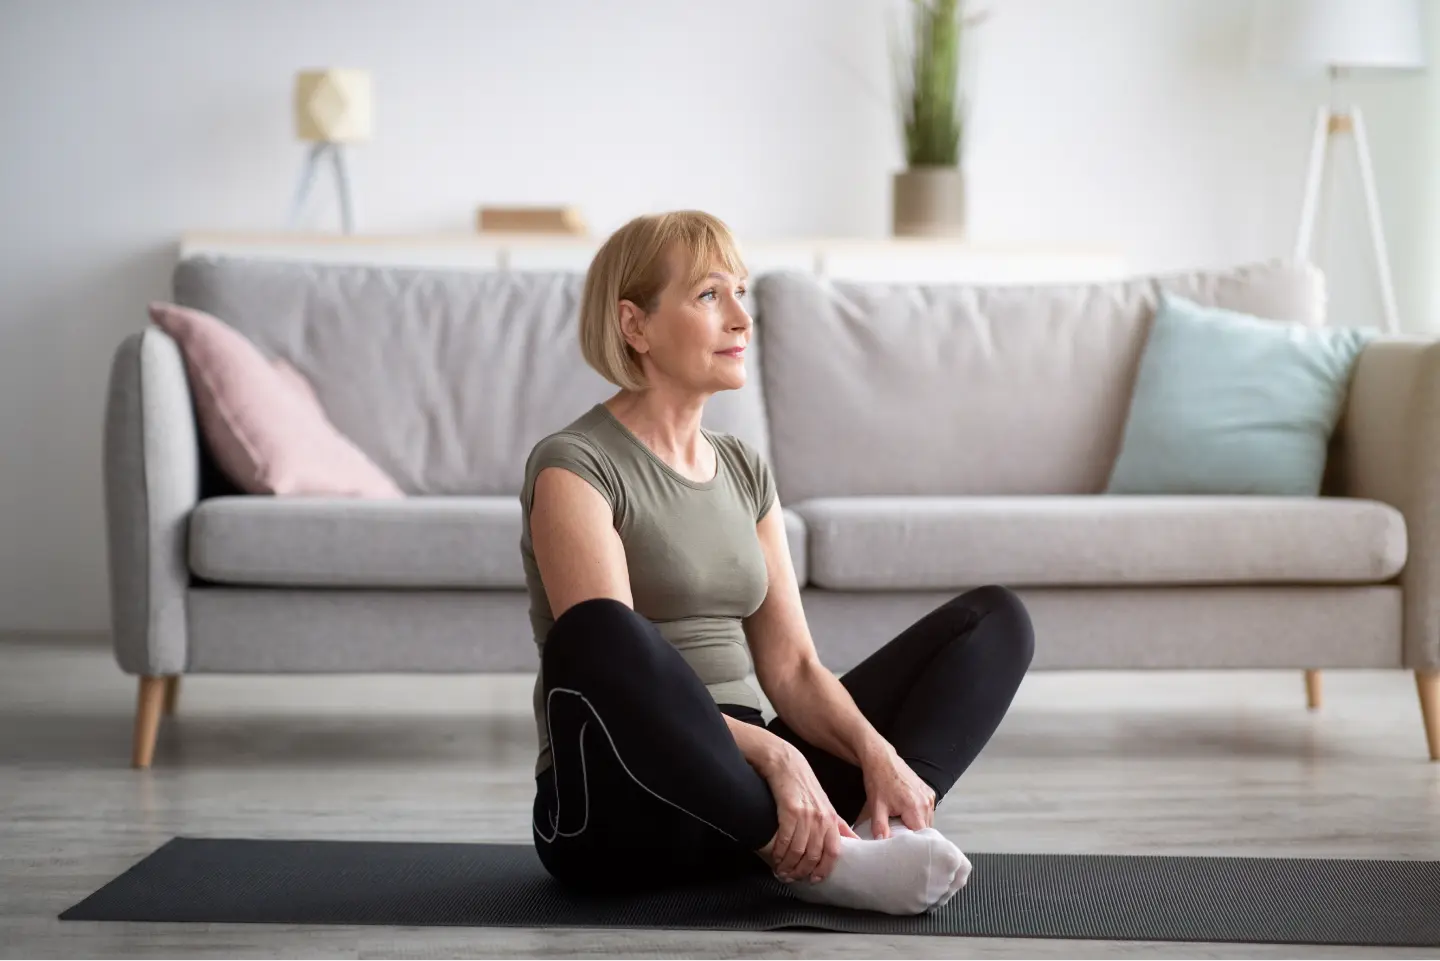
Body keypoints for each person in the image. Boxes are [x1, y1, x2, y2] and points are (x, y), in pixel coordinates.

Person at [520, 210, 1034, 916]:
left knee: (995, 620)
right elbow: (603, 666)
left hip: (746, 800)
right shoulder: (575, 465)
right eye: (709, 295)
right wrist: (774, 754)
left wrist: (879, 755)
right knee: (597, 628)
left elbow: (792, 669)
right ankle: (832, 862)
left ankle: (862, 834)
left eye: (742, 292)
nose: (741, 318)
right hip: (620, 805)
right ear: (635, 325)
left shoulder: (743, 469)